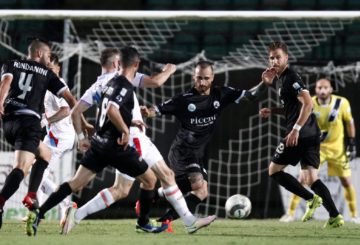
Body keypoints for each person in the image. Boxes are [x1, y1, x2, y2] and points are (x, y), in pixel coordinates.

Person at [28, 47, 215, 236]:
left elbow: (76, 110)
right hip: (129, 139)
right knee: (160, 177)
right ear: (119, 64)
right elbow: (148, 86)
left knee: (111, 188)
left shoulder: (98, 85)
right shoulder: (125, 79)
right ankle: (181, 221)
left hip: (100, 141)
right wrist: (170, 70)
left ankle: (48, 213)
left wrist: (82, 138)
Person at [141, 60, 271, 224]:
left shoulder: (221, 94)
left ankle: (155, 196)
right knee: (199, 187)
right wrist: (147, 112)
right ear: (193, 78)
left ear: (212, 78)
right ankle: (165, 221)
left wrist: (264, 84)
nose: (201, 82)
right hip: (182, 151)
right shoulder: (184, 100)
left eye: (205, 78)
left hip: (197, 153)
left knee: (201, 192)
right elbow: (157, 110)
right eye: (198, 78)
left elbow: (250, 96)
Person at [259, 41, 344, 228]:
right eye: (271, 57)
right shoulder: (282, 79)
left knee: (274, 171)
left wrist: (295, 129)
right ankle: (335, 216)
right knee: (311, 178)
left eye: (278, 57)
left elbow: (308, 103)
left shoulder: (291, 77)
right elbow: (294, 108)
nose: (274, 61)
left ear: (286, 58)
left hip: (300, 133)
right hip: (312, 133)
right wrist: (272, 111)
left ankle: (311, 199)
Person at [0, 38, 77, 230]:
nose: (50, 60)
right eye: (49, 55)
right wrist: (82, 124)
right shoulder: (48, 74)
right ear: (40, 54)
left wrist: (0, 102)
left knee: (45, 154)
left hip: (9, 123)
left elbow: (6, 82)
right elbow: (70, 100)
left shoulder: (11, 63)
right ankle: (4, 202)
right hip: (29, 124)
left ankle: (32, 196)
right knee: (20, 169)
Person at [279, 78, 360, 224]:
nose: (322, 90)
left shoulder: (342, 103)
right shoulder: (308, 102)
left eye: (325, 88)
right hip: (316, 148)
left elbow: (349, 122)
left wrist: (352, 142)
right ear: (315, 90)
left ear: (331, 89)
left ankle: (355, 215)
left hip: (337, 150)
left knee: (346, 181)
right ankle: (290, 214)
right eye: (319, 88)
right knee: (302, 180)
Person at [37, 53, 76, 219]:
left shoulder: (58, 86)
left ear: (58, 68)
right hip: (54, 136)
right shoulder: (48, 85)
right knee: (36, 171)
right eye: (46, 69)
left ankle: (63, 203)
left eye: (51, 69)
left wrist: (46, 120)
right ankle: (64, 203)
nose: (48, 72)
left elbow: (66, 110)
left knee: (39, 173)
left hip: (60, 137)